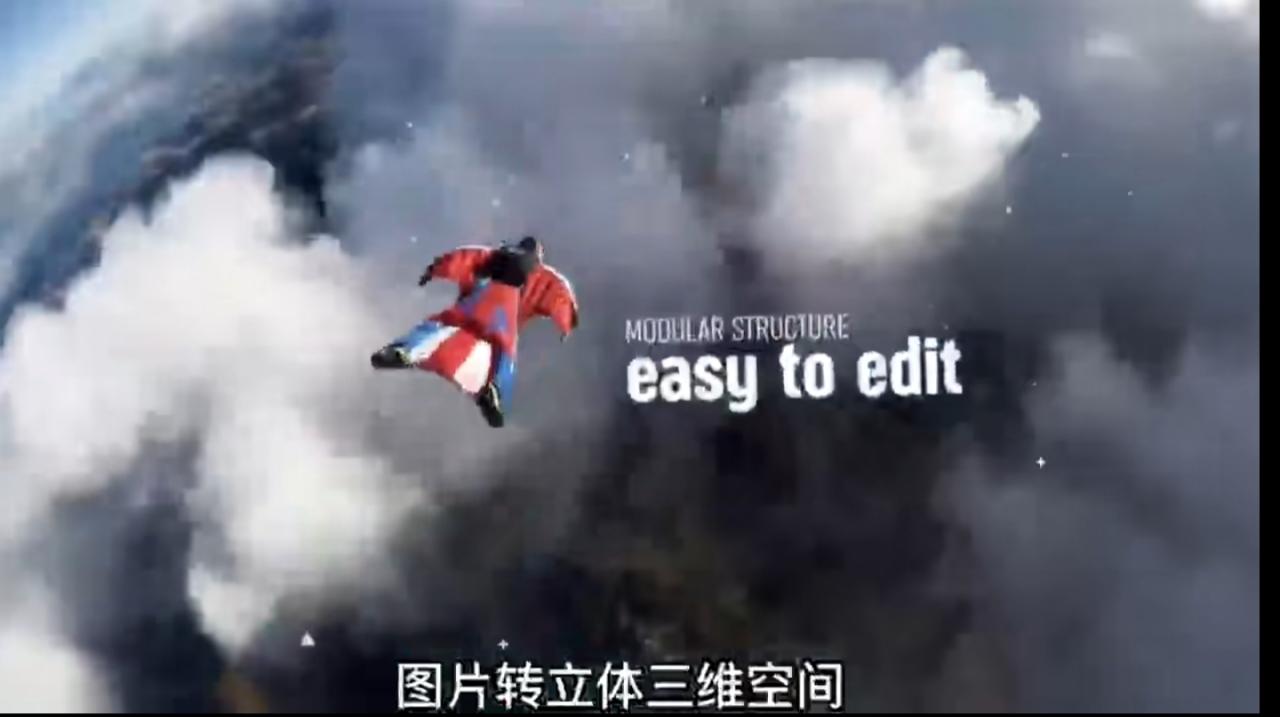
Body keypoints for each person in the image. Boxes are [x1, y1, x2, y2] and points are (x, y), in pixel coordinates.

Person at [371, 236, 579, 427]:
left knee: (439, 325)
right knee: (506, 354)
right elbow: (561, 298)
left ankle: (405, 350)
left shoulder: (491, 255)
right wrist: (566, 326)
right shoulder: (544, 276)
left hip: (476, 302)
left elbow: (462, 258)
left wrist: (434, 271)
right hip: (504, 316)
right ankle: (496, 393)